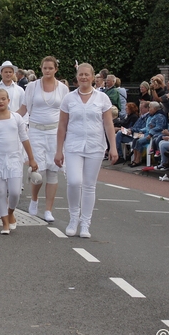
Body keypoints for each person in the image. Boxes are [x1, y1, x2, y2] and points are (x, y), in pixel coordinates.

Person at [55, 63, 118, 238]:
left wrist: (113, 146)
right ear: (77, 77)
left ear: (92, 77)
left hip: (95, 146)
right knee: (74, 181)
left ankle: (85, 223)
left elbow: (108, 123)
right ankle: (73, 218)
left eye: (86, 75)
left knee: (89, 185)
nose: (83, 77)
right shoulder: (69, 98)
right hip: (73, 145)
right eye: (80, 74)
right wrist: (58, 150)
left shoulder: (102, 98)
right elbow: (62, 125)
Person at [18, 56, 68, 222]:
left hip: (54, 133)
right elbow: (24, 108)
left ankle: (48, 210)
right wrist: (11, 120)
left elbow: (67, 112)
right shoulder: (32, 87)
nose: (47, 71)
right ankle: (34, 199)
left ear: (56, 69)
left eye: (50, 68)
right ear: (41, 69)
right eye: (45, 68)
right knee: (37, 171)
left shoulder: (62, 89)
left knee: (53, 172)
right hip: (36, 132)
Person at [0, 87, 38, 235]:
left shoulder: (16, 118)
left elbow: (24, 138)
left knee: (14, 192)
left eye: (3, 99)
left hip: (14, 159)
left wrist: (31, 159)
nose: (0, 102)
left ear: (8, 101)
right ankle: (5, 223)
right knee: (0, 192)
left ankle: (10, 212)